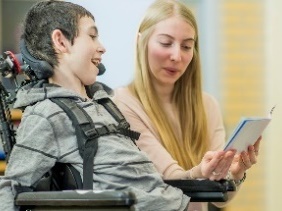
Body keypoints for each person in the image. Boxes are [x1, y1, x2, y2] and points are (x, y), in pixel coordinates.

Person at [0, 1, 190, 210]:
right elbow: (12, 188)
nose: (102, 47)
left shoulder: (105, 104)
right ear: (61, 41)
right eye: (92, 36)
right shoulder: (47, 114)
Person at [113, 0, 261, 210]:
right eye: (165, 43)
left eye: (186, 46)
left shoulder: (207, 105)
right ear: (140, 42)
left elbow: (219, 199)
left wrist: (234, 174)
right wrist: (201, 172)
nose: (176, 56)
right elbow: (172, 180)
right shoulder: (122, 104)